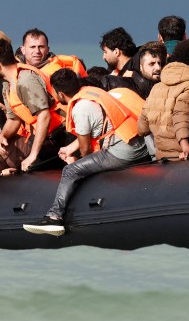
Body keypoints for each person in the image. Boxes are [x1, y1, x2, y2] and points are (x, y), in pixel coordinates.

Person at [23, 69, 149, 236]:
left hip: (124, 151)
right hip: (138, 143)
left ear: (59, 93)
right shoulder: (91, 92)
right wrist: (69, 149)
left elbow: (86, 149)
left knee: (70, 171)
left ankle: (54, 218)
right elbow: (94, 129)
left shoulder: (80, 108)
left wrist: (77, 163)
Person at [0, 38, 67, 171]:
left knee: (33, 168)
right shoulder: (8, 85)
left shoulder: (25, 80)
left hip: (61, 136)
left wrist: (33, 156)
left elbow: (44, 116)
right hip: (45, 136)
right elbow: (13, 119)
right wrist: (3, 136)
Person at [136, 38, 189, 160]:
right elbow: (181, 118)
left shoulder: (157, 87)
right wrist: (186, 148)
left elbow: (142, 128)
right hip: (183, 158)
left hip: (162, 159)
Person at [16, 28, 88, 77]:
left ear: (48, 50)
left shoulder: (60, 71)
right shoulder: (13, 71)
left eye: (41, 47)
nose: (37, 51)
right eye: (32, 47)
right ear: (23, 50)